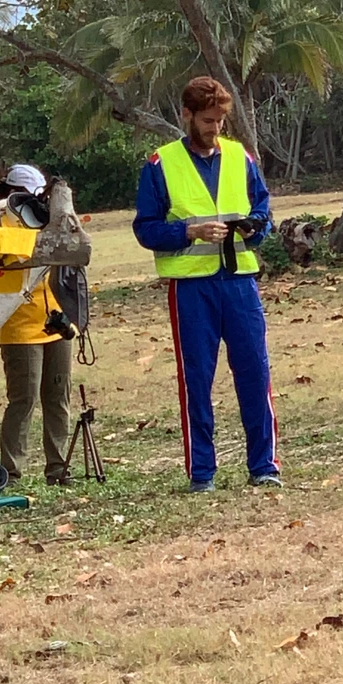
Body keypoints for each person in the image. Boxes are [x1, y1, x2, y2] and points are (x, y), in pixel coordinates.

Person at [133, 76, 281, 493]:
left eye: (219, 120)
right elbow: (145, 230)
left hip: (239, 283)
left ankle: (264, 466)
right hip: (191, 289)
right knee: (196, 379)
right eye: (207, 120)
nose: (215, 128)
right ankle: (202, 473)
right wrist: (189, 231)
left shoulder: (241, 157)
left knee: (255, 371)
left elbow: (263, 207)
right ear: (186, 115)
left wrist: (255, 228)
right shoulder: (160, 165)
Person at [0, 164, 73, 486]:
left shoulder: (51, 220)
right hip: (19, 325)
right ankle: (10, 474)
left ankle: (58, 468)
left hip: (56, 318)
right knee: (23, 400)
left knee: (58, 397)